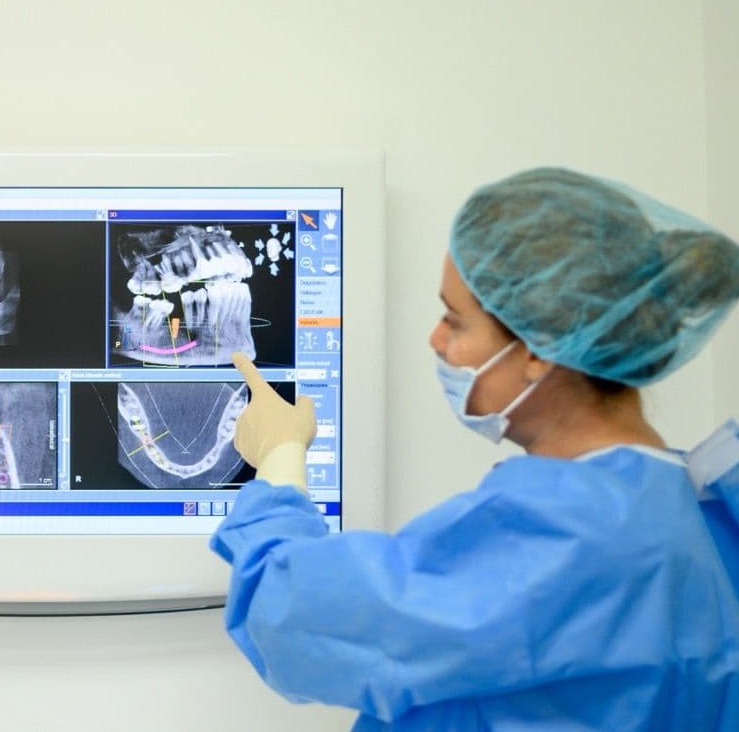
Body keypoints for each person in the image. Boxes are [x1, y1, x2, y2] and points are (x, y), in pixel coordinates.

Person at [212, 167, 739, 730]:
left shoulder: (559, 536)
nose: (436, 340)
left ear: (539, 349)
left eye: (455, 319)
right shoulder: (694, 510)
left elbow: (294, 617)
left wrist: (280, 455)